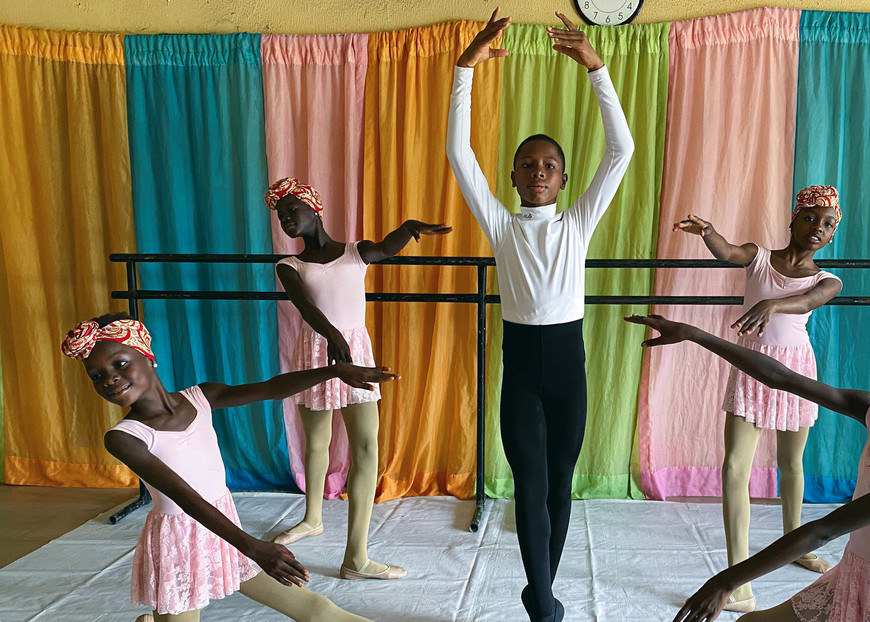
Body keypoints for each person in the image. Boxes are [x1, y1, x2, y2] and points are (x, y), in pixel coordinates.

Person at [625, 306, 870, 622]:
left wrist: (727, 580)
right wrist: (694, 334)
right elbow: (781, 377)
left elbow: (823, 530)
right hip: (855, 571)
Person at [446, 9, 634, 621]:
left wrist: (597, 70)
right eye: (527, 164)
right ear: (512, 177)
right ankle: (544, 606)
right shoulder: (501, 226)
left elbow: (622, 149)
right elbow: (457, 151)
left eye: (548, 165)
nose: (537, 172)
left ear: (563, 179)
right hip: (522, 363)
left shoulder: (577, 224)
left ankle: (540, 591)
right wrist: (465, 68)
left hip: (568, 364)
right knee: (528, 479)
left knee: (560, 482)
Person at [62, 313, 398, 621]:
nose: (110, 379)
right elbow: (186, 497)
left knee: (315, 609)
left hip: (225, 531)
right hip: (180, 541)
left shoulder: (200, 397)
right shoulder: (124, 438)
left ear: (147, 356)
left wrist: (334, 371)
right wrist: (253, 546)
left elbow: (269, 388)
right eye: (97, 376)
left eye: (120, 364)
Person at [266, 176, 450, 580]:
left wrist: (408, 229)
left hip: (356, 354)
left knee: (367, 445)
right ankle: (312, 517)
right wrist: (331, 335)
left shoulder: (354, 253)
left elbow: (385, 247)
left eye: (292, 210)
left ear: (315, 209)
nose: (286, 219)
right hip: (316, 353)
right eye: (281, 216)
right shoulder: (289, 265)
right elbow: (305, 307)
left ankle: (356, 557)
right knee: (317, 442)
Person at [672, 185, 843, 612]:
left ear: (833, 231)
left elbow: (808, 298)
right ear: (793, 219)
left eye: (827, 224)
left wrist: (773, 304)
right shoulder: (760, 256)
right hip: (752, 368)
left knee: (791, 464)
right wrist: (708, 231)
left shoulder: (829, 280)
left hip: (797, 374)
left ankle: (797, 545)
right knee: (734, 467)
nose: (816, 228)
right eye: (809, 218)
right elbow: (727, 252)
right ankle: (740, 585)